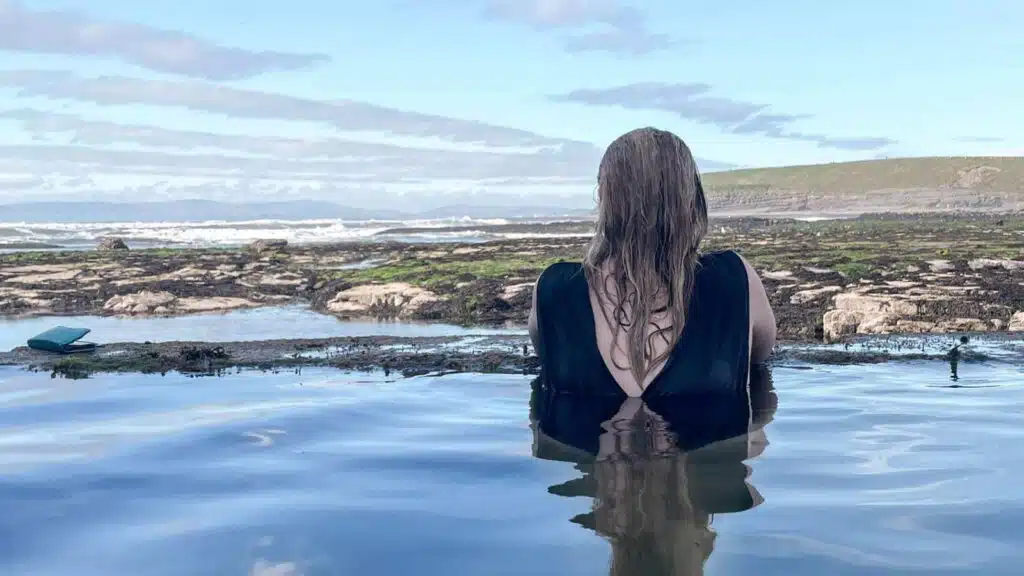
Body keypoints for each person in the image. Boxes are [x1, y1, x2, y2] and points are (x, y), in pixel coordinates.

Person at [528, 127, 775, 398]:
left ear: (605, 199)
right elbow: (759, 354)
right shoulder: (735, 280)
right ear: (690, 199)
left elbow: (546, 353)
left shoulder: (554, 289)